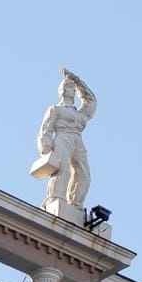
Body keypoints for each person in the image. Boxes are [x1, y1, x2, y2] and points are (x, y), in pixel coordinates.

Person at [31, 69, 95, 209]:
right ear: (63, 90)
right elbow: (45, 129)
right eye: (69, 87)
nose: (72, 90)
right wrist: (45, 149)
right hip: (63, 137)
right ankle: (54, 198)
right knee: (62, 169)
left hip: (77, 140)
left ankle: (76, 204)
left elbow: (91, 102)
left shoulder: (79, 113)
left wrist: (77, 81)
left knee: (83, 173)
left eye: (73, 88)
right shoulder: (56, 109)